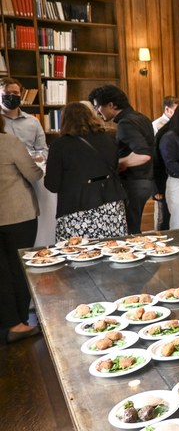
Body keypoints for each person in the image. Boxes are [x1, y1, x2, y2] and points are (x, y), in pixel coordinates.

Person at [43, 102, 128, 240]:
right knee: (113, 248)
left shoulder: (59, 145)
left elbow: (53, 185)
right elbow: (114, 166)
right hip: (111, 203)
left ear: (64, 120)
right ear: (91, 116)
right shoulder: (108, 137)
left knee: (80, 254)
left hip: (78, 207)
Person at [0, 113, 43, 344]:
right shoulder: (8, 142)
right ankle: (19, 323)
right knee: (18, 268)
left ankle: (7, 321)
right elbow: (32, 173)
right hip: (17, 215)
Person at [89, 85, 155, 234]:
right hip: (145, 181)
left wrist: (117, 165)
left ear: (111, 105)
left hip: (133, 182)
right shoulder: (141, 117)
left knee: (129, 230)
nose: (97, 112)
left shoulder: (126, 123)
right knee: (132, 227)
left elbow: (143, 154)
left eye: (98, 107)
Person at [1, 77, 47, 160]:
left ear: (21, 95)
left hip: (29, 168)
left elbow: (43, 150)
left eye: (15, 93)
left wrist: (39, 158)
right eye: (7, 93)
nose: (11, 96)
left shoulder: (33, 121)